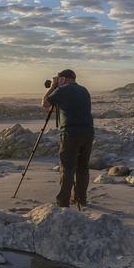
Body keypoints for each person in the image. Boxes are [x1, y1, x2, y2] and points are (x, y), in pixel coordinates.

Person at [41, 69, 94, 208]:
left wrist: (53, 87)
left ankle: (63, 201)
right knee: (82, 167)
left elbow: (45, 104)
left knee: (68, 168)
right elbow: (61, 107)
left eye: (58, 79)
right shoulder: (84, 90)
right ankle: (80, 198)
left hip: (71, 133)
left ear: (63, 79)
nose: (57, 81)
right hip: (88, 133)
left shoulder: (62, 90)